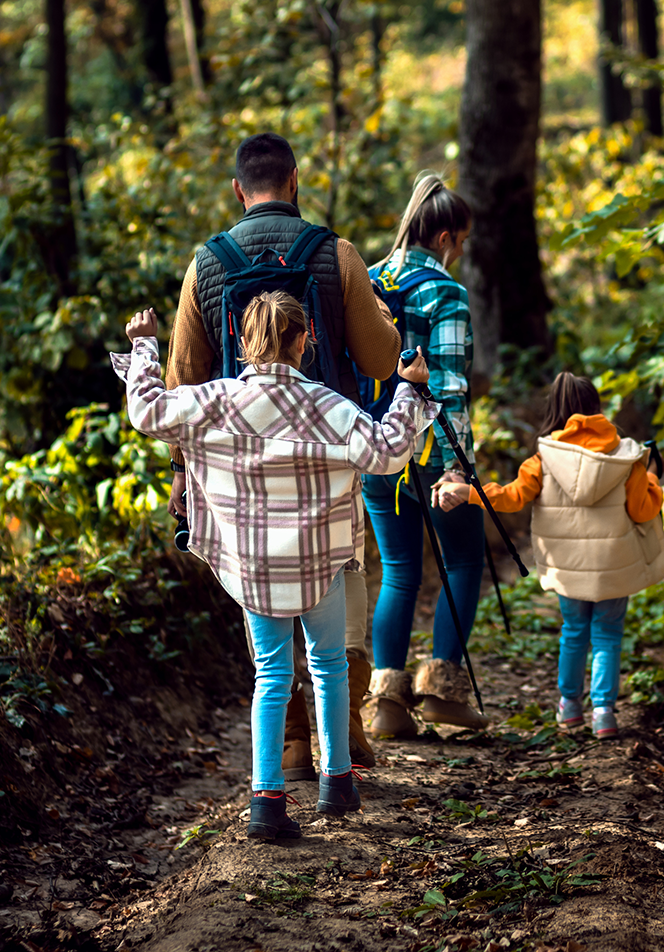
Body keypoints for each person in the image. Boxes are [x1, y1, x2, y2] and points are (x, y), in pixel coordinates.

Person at [112, 295, 436, 840]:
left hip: (254, 568)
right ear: (305, 338)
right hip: (319, 562)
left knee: (272, 675)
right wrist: (409, 385)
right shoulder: (330, 408)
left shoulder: (213, 402)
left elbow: (146, 411)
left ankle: (267, 800)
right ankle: (337, 784)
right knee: (329, 665)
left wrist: (144, 343)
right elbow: (388, 452)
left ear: (240, 339)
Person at [164, 133, 401, 777]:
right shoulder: (335, 254)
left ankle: (292, 744)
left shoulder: (206, 265)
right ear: (294, 181)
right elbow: (382, 360)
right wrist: (381, 313)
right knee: (342, 580)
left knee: (261, 599)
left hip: (239, 474)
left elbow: (183, 379)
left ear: (239, 191)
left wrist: (184, 475)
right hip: (325, 460)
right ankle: (344, 737)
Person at [435, 371, 664, 739]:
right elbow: (643, 511)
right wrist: (652, 478)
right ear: (596, 409)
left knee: (574, 632)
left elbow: (512, 498)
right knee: (607, 635)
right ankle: (604, 714)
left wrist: (468, 492)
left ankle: (570, 707)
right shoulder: (627, 456)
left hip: (567, 568)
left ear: (556, 412)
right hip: (613, 563)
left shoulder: (543, 458)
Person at [361, 172, 487, 735]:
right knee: (463, 562)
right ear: (443, 238)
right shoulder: (448, 294)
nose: (460, 254)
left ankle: (386, 701)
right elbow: (451, 386)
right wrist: (461, 468)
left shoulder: (364, 282)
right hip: (436, 452)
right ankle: (439, 690)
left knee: (398, 570)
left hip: (377, 447)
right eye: (460, 243)